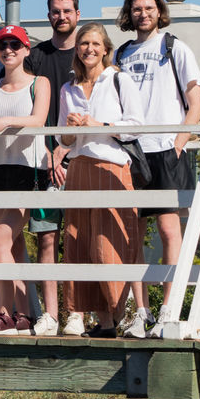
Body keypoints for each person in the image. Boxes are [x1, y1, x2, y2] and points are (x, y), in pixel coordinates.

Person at [114, 0, 200, 336]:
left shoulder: (174, 48)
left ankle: (169, 308)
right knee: (132, 235)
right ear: (129, 13)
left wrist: (179, 142)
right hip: (132, 151)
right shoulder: (121, 54)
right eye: (137, 8)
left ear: (159, 11)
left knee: (169, 230)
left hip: (166, 149)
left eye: (149, 8)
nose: (143, 14)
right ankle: (142, 311)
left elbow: (195, 103)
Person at [58, 24, 144, 337]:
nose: (89, 49)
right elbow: (64, 140)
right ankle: (103, 323)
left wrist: (99, 123)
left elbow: (136, 127)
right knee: (79, 246)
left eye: (95, 43)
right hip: (79, 167)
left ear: (105, 48)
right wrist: (70, 127)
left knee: (107, 246)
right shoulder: (68, 88)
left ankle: (122, 315)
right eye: (83, 43)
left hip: (112, 166)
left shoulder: (119, 80)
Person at [0, 25, 50, 336]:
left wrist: (3, 122)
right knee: (14, 246)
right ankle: (24, 315)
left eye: (15, 45)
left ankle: (4, 313)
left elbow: (38, 120)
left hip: (27, 170)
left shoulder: (38, 83)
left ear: (26, 49)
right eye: (3, 45)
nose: (8, 50)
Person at [24, 0, 82, 335]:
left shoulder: (89, 53)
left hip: (81, 158)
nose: (61, 16)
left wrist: (68, 150)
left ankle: (76, 312)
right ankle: (51, 314)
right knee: (47, 238)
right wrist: (47, 152)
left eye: (67, 11)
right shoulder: (35, 56)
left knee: (76, 238)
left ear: (77, 13)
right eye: (55, 11)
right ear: (48, 16)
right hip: (44, 161)